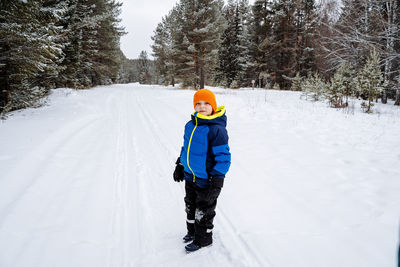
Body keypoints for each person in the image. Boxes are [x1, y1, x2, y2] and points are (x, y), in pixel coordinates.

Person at [173, 88, 231, 252]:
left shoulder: (216, 130)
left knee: (203, 210)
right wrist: (180, 164)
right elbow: (186, 149)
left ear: (213, 106)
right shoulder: (190, 125)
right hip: (190, 176)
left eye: (206, 103)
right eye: (198, 103)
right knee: (190, 205)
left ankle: (204, 240)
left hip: (207, 180)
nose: (202, 106)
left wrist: (218, 179)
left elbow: (223, 157)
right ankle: (192, 232)